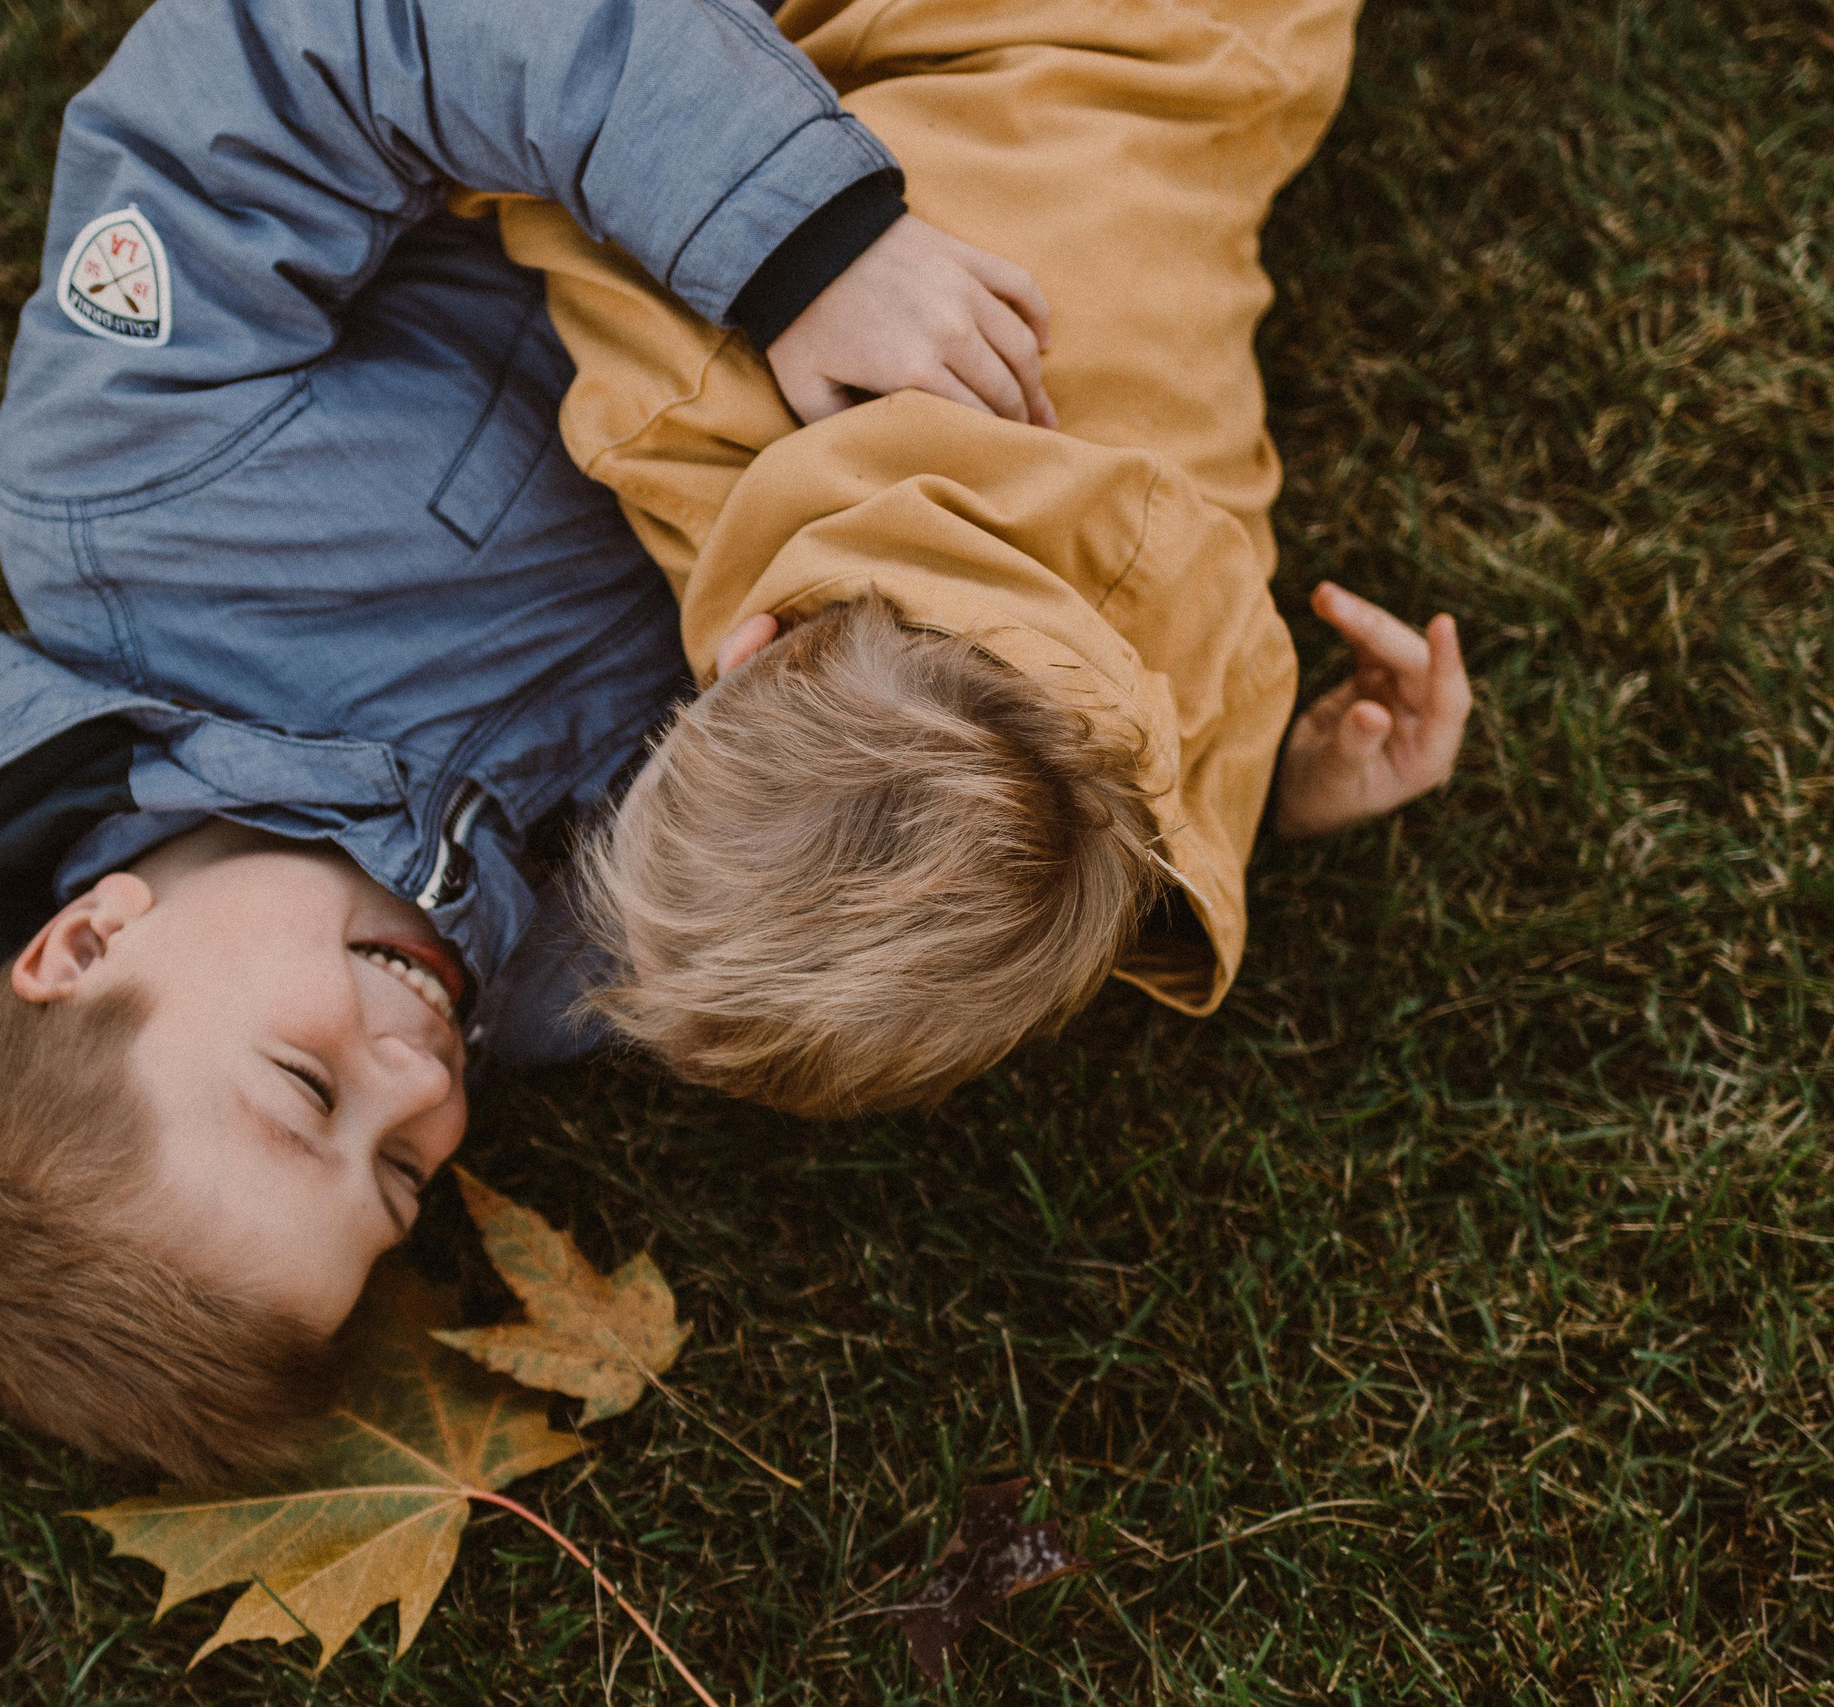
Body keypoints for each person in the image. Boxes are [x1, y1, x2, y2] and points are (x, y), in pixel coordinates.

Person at [0, 0, 1073, 1483]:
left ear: (86, 943)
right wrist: (1224, 788)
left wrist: (798, 241)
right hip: (1003, 263)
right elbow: (945, 816)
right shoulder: (574, 977)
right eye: (396, 1177)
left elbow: (328, 38)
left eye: (309, 1089)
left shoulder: (134, 491)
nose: (425, 1082)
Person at [463, 0, 1472, 1117]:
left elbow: (1174, 777)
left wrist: (1287, 791)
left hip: (1242, 56)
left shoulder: (1186, 632)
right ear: (746, 653)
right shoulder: (679, 395)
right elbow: (549, 165)